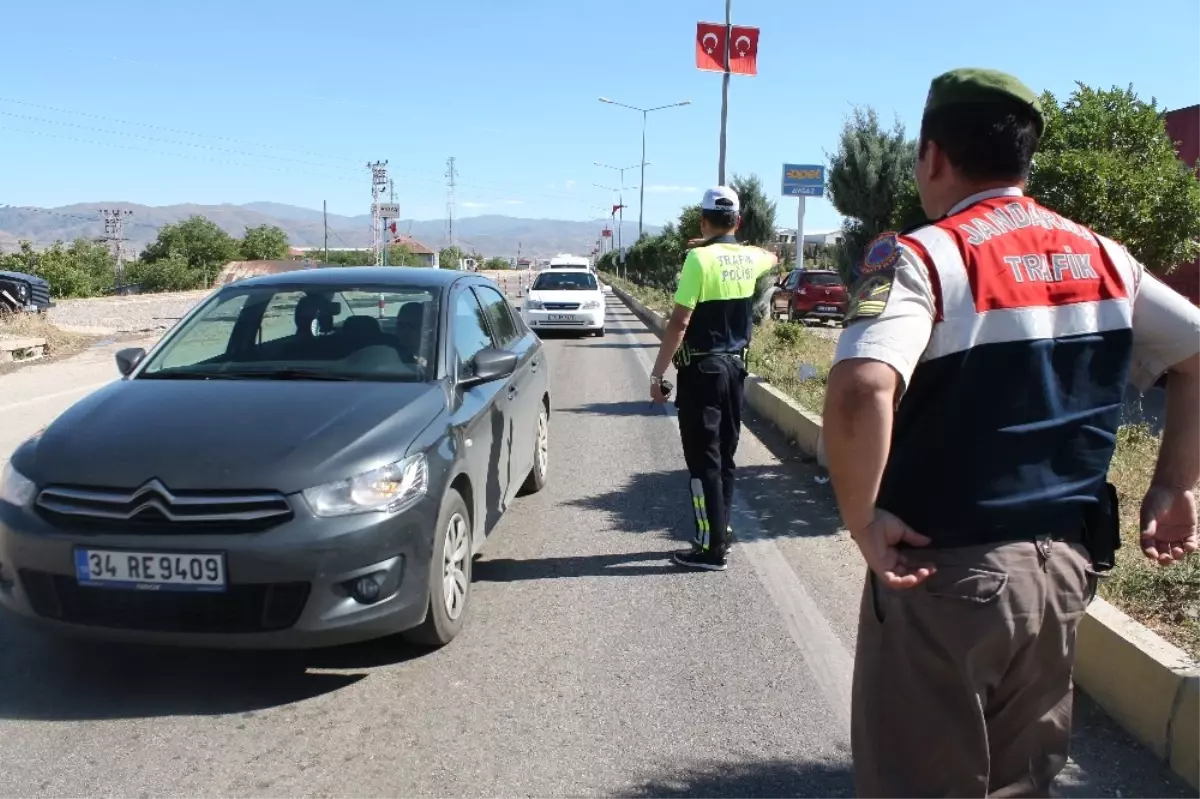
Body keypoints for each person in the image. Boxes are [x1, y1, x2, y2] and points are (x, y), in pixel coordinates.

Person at [823, 67, 1200, 798]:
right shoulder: (1106, 257)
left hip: (944, 577)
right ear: (1026, 159)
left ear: (932, 156)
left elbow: (861, 388)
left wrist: (862, 518)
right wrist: (1176, 483)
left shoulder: (923, 256)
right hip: (1062, 573)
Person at [649, 187, 778, 570]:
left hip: (701, 373)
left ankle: (710, 549)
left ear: (703, 220)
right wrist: (727, 244)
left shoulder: (697, 261)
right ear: (736, 222)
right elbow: (772, 255)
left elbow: (679, 321)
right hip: (735, 370)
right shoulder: (753, 258)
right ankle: (722, 534)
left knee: (702, 461)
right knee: (724, 457)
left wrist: (658, 373)